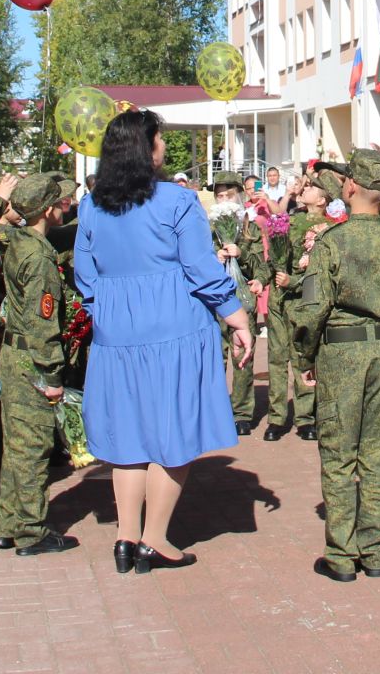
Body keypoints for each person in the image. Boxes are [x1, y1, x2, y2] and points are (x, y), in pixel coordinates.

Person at [74, 110, 253, 574]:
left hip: (117, 330)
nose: (164, 147)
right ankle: (155, 539)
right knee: (172, 432)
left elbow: (85, 276)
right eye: (160, 140)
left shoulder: (92, 205)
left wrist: (110, 312)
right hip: (174, 324)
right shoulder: (177, 200)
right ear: (146, 147)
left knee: (128, 436)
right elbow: (199, 266)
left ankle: (125, 536)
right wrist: (236, 317)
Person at [295, 149, 380, 582]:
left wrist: (304, 355)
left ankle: (341, 554)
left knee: (338, 452)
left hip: (342, 351)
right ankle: (374, 551)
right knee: (377, 450)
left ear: (350, 188)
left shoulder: (334, 241)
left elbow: (312, 308)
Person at [0, 174, 77, 556]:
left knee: (17, 444)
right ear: (46, 210)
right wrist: (53, 374)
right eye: (60, 203)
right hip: (31, 359)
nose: (65, 207)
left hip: (13, 354)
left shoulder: (18, 239)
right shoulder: (39, 256)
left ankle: (8, 522)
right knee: (34, 446)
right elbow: (44, 327)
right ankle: (31, 530)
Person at [266, 172, 331, 443]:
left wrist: (293, 281)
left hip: (302, 299)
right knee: (276, 358)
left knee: (303, 358)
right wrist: (277, 269)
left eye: (312, 187)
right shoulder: (291, 220)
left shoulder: (331, 227)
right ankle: (276, 417)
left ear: (324, 198)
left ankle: (306, 417)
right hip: (279, 298)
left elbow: (324, 272)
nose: (306, 188)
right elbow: (273, 250)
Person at [207, 172, 266, 434]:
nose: (223, 200)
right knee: (213, 357)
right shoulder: (208, 228)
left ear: (239, 196)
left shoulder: (249, 226)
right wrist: (214, 258)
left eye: (228, 195)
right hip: (212, 300)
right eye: (219, 195)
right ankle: (215, 410)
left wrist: (242, 256)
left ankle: (242, 412)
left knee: (242, 355)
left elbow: (262, 266)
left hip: (241, 299)